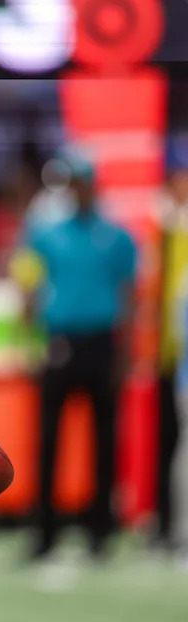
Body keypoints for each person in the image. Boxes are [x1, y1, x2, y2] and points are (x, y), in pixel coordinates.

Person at [11, 149, 137, 562]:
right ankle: (43, 534)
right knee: (48, 441)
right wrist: (28, 343)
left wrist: (126, 352)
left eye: (84, 181)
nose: (78, 189)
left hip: (102, 342)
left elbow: (130, 297)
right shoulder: (45, 233)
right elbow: (29, 289)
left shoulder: (117, 237)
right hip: (59, 341)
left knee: (105, 441)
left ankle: (100, 532)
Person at [155, 140, 188, 554]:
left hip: (176, 353)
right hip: (175, 358)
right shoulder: (165, 225)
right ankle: (175, 530)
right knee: (175, 448)